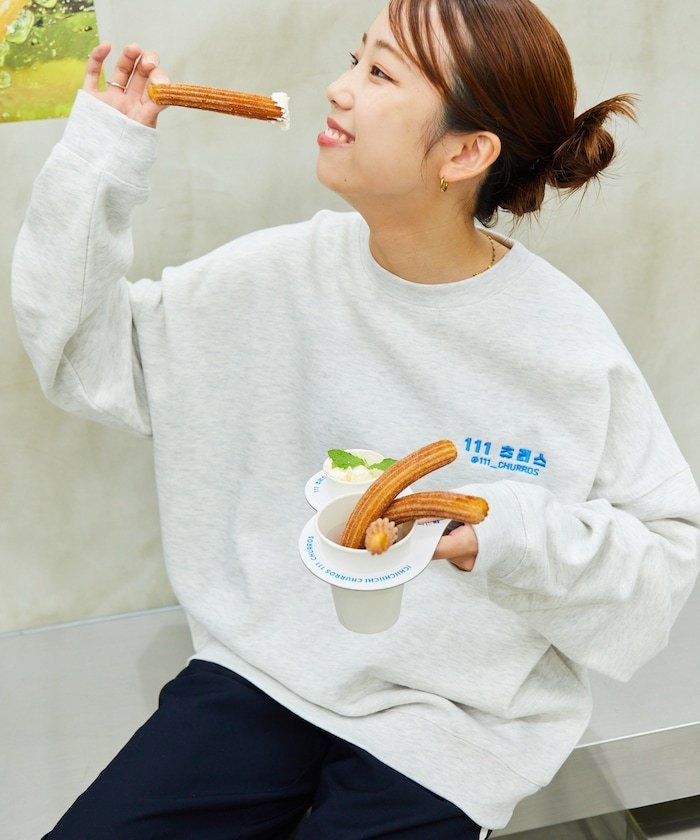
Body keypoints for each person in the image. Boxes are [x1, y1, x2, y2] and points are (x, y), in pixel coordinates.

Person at [11, 0, 700, 837]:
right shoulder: (277, 276)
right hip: (263, 673)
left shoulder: (563, 343)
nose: (339, 89)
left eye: (380, 74)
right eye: (354, 59)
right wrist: (103, 154)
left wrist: (507, 535)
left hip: (453, 722)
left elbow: (666, 557)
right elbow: (85, 357)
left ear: (466, 152)